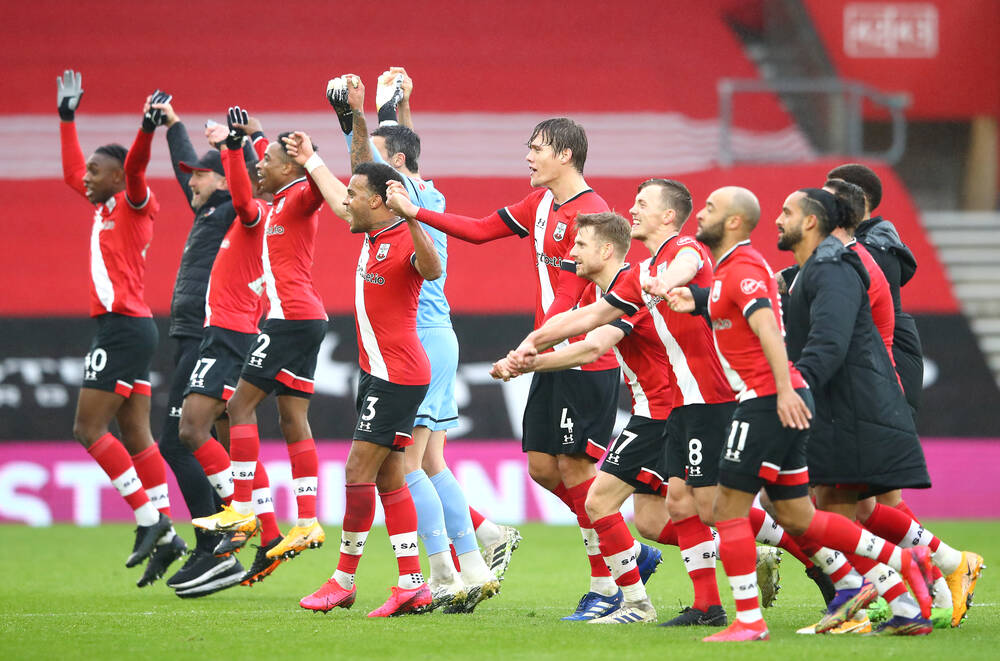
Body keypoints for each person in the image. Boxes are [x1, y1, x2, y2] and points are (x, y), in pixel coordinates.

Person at [385, 117, 652, 621]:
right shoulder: (539, 203)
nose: (527, 156)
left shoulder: (591, 213)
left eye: (536, 149)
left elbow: (575, 297)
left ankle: (608, 584)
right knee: (543, 469)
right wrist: (413, 211)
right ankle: (631, 553)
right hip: (549, 356)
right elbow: (481, 231)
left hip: (582, 359)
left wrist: (528, 347)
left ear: (566, 155)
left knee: (576, 470)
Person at [666, 186, 935, 640]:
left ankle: (749, 620)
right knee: (797, 517)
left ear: (733, 222)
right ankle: (902, 577)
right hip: (775, 397)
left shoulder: (747, 267)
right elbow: (735, 306)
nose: (702, 215)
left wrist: (786, 388)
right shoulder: (736, 270)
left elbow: (768, 327)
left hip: (765, 400)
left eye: (710, 208)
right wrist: (694, 300)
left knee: (724, 507)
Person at [329, 69, 514, 610]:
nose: (366, 175)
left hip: (415, 337)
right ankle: (477, 559)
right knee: (430, 464)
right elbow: (399, 149)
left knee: (406, 466)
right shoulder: (424, 190)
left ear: (398, 172)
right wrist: (399, 104)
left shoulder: (402, 192)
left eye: (383, 166)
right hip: (434, 334)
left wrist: (356, 117)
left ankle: (441, 572)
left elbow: (370, 156)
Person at [822, 175, 984, 627]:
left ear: (858, 203)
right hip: (869, 376)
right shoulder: (860, 248)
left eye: (826, 198)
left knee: (855, 499)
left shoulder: (874, 250)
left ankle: (916, 579)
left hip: (879, 376)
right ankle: (940, 569)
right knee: (862, 500)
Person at [493, 211, 670, 623]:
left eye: (579, 245)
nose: (569, 252)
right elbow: (579, 320)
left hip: (664, 404)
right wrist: (529, 347)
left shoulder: (633, 285)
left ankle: (614, 588)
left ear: (605, 249)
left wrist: (526, 360)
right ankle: (638, 561)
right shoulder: (609, 283)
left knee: (602, 495)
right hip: (650, 402)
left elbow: (591, 344)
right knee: (657, 514)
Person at [294, 157, 443, 616]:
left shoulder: (402, 236)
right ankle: (411, 584)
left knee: (356, 473)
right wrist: (311, 160)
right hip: (378, 371)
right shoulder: (371, 229)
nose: (347, 201)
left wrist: (414, 217)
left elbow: (432, 268)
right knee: (388, 477)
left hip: (396, 373)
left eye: (355, 195)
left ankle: (342, 581)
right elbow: (346, 193)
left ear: (379, 201)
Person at [191, 110, 327, 566]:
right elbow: (260, 176)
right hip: (305, 318)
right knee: (292, 420)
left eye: (264, 159)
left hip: (289, 319)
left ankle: (243, 510)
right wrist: (243, 139)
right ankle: (307, 520)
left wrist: (308, 158)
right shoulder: (275, 201)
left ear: (288, 168)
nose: (258, 165)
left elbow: (311, 181)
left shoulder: (301, 195)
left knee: (238, 406)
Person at [57, 69, 177, 577]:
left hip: (121, 327)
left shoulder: (132, 202)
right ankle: (167, 535)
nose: (84, 175)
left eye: (94, 170)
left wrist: (146, 131)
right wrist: (67, 119)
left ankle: (150, 519)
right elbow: (70, 174)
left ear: (116, 175)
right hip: (132, 326)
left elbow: (135, 170)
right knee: (136, 435)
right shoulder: (104, 203)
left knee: (87, 427)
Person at [141, 95, 252, 596]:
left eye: (200, 176)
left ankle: (217, 543)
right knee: (193, 438)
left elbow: (239, 172)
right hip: (190, 336)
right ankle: (221, 538)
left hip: (211, 335)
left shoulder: (231, 207)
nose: (191, 180)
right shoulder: (209, 209)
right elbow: (186, 162)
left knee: (180, 439)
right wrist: (174, 125)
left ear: (225, 179)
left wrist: (237, 143)